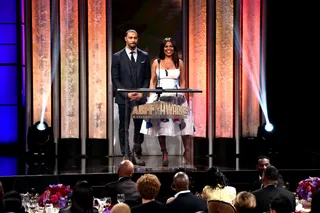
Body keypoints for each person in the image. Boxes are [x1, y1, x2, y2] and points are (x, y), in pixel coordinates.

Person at [140, 37, 194, 166]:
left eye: (171, 46)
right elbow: (153, 80)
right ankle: (164, 152)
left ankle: (187, 153)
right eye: (166, 46)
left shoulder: (179, 62)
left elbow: (182, 81)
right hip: (161, 94)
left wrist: (182, 93)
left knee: (184, 123)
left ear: (174, 48)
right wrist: (151, 95)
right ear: (162, 48)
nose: (168, 49)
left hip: (176, 95)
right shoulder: (156, 62)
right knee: (161, 125)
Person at [112, 29, 151, 166]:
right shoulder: (117, 57)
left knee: (139, 127)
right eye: (130, 38)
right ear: (125, 39)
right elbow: (115, 79)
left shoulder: (144, 56)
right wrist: (125, 93)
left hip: (140, 98)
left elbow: (147, 77)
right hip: (124, 98)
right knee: (124, 127)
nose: (133, 40)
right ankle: (126, 154)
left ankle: (136, 153)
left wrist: (142, 92)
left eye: (135, 38)